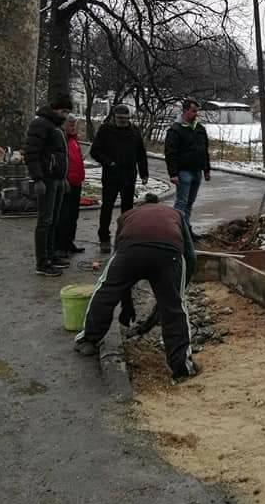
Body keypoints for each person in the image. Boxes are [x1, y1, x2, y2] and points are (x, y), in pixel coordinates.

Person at [74, 194, 199, 383]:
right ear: (159, 204)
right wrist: (178, 291)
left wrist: (126, 304)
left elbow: (119, 259)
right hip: (168, 253)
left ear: (141, 205)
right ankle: (181, 367)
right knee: (174, 309)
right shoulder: (176, 213)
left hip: (130, 251)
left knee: (105, 290)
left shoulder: (127, 216)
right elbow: (190, 256)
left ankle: (88, 340)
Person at [25, 94, 74, 276]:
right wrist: (37, 178)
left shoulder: (55, 126)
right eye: (64, 111)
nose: (66, 115)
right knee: (45, 220)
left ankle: (51, 254)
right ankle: (42, 261)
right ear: (55, 108)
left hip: (57, 178)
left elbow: (61, 155)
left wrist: (64, 178)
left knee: (54, 219)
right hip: (46, 178)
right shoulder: (41, 124)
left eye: (68, 112)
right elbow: (32, 152)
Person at [90, 104, 149, 253]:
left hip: (129, 176)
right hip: (111, 175)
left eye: (125, 119)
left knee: (127, 209)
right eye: (119, 118)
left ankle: (124, 237)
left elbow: (141, 154)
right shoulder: (105, 130)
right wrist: (109, 162)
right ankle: (104, 237)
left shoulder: (134, 131)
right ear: (114, 117)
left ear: (129, 118)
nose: (122, 121)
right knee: (107, 207)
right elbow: (95, 151)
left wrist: (144, 173)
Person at [164, 99, 211, 237]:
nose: (196, 114)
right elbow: (170, 153)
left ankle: (186, 230)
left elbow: (204, 150)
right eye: (193, 111)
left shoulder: (200, 129)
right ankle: (177, 233)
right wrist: (173, 173)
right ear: (185, 111)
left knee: (189, 203)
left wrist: (206, 169)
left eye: (197, 111)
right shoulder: (176, 130)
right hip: (183, 172)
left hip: (197, 171)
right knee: (181, 204)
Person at [55, 114, 86, 258]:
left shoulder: (74, 140)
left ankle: (69, 242)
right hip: (66, 182)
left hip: (76, 181)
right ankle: (60, 246)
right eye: (70, 124)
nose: (73, 127)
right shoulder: (61, 139)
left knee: (73, 215)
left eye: (74, 124)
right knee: (64, 215)